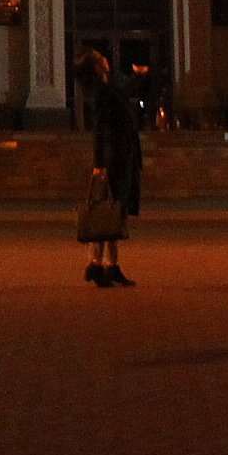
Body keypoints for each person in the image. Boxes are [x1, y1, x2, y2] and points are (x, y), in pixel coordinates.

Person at [76, 46, 145, 287]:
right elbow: (100, 129)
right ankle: (101, 266)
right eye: (100, 57)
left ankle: (105, 265)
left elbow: (124, 92)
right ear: (97, 66)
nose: (105, 58)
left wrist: (137, 76)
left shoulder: (106, 88)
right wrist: (100, 163)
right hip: (114, 158)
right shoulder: (100, 92)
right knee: (110, 211)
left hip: (121, 155)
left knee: (113, 212)